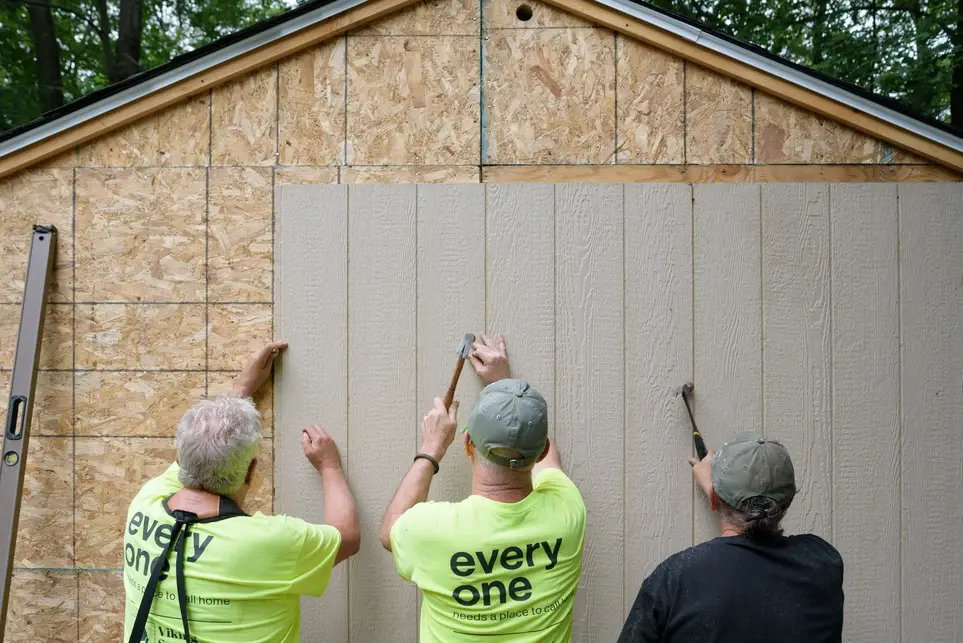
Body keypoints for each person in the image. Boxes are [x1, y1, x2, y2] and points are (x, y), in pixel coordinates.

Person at [122, 341, 360, 643]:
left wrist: (241, 389)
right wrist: (330, 467)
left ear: (181, 457)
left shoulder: (145, 504)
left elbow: (196, 456)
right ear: (250, 472)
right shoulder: (266, 543)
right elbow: (347, 538)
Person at [380, 334, 586, 642]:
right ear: (539, 451)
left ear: (467, 444)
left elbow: (390, 532)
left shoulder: (432, 530)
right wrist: (509, 394)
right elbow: (548, 456)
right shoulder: (567, 511)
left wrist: (432, 447)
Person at [618, 433, 844, 643]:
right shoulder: (822, 564)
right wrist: (720, 494)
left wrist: (718, 496)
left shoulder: (675, 579)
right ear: (786, 502)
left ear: (715, 497)